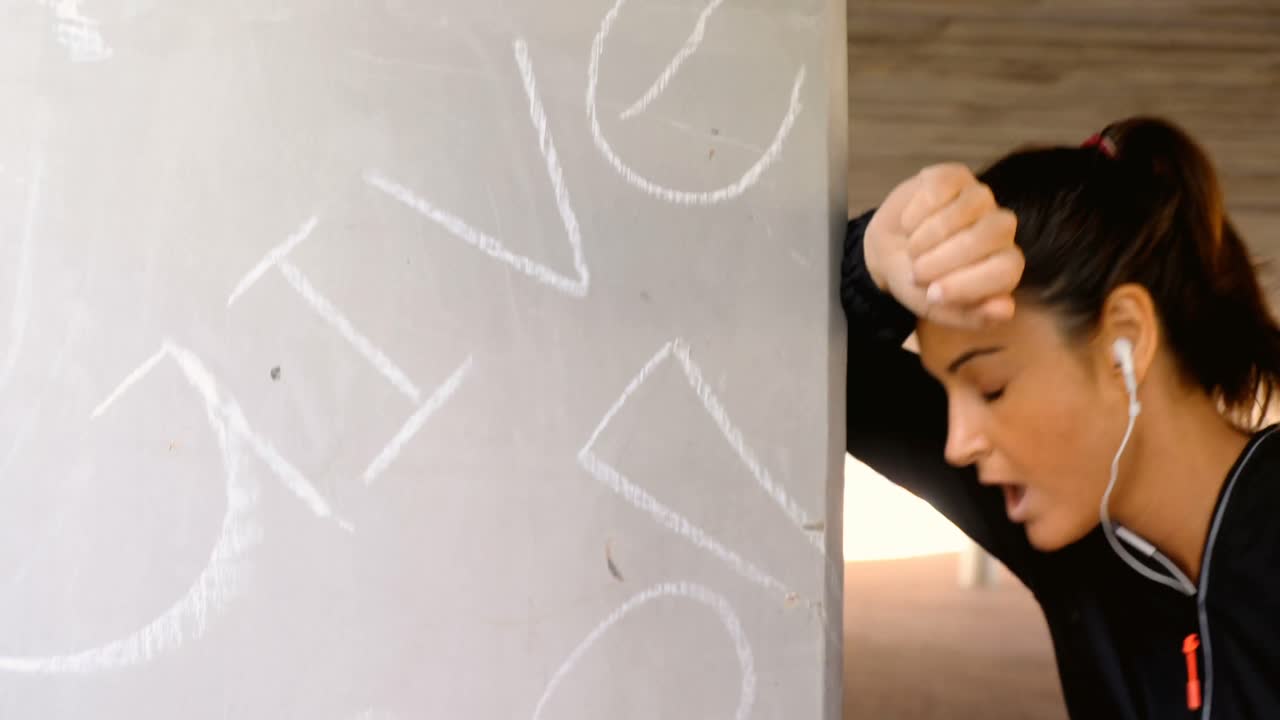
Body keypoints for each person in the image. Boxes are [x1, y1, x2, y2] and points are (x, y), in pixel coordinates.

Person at [842, 116, 1280, 719]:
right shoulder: (1083, 544)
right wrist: (870, 264)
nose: (958, 443)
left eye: (991, 388)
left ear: (1125, 339)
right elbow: (834, 379)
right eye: (949, 393)